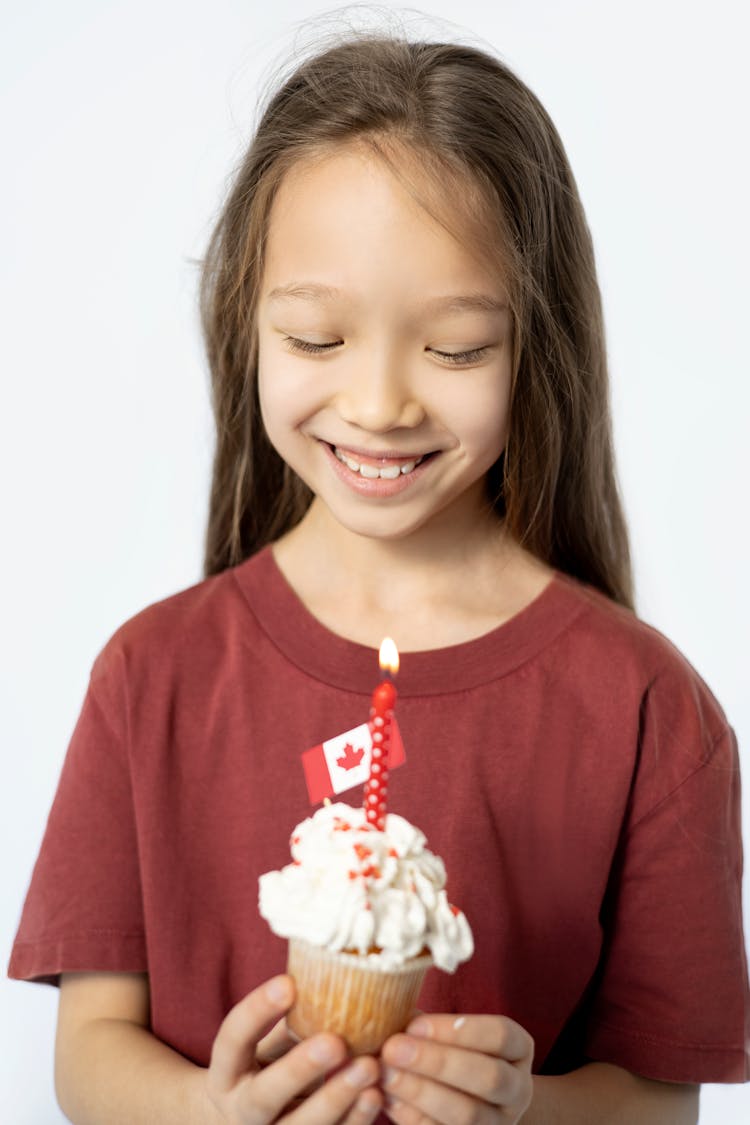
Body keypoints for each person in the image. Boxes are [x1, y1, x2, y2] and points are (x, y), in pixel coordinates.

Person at [8, 31, 748, 1125]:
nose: (382, 403)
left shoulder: (647, 712)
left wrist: (528, 1112)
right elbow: (88, 1055)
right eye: (316, 337)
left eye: (454, 349)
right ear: (244, 325)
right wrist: (210, 1112)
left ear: (536, 347)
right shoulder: (149, 677)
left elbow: (659, 1101)